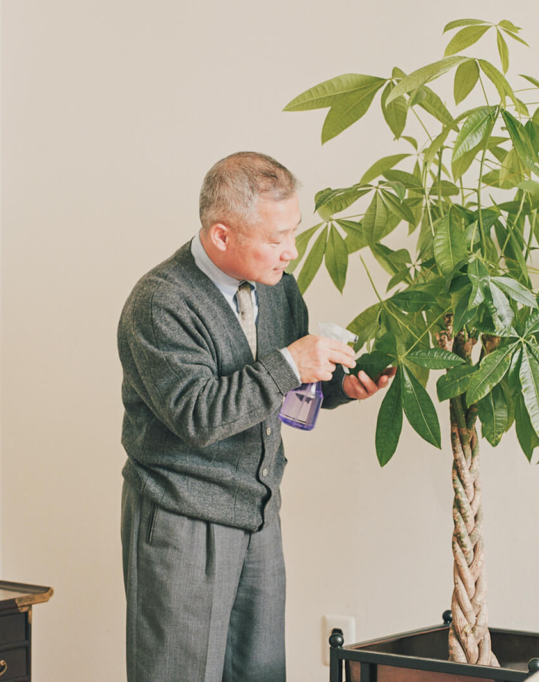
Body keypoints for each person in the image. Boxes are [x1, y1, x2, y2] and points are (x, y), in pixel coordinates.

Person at [117, 151, 396, 682]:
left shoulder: (277, 286)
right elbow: (199, 414)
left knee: (261, 672)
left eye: (294, 232)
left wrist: (341, 385)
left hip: (259, 510)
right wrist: (294, 362)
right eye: (276, 239)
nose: (291, 252)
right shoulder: (159, 302)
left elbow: (289, 381)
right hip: (182, 518)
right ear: (222, 236)